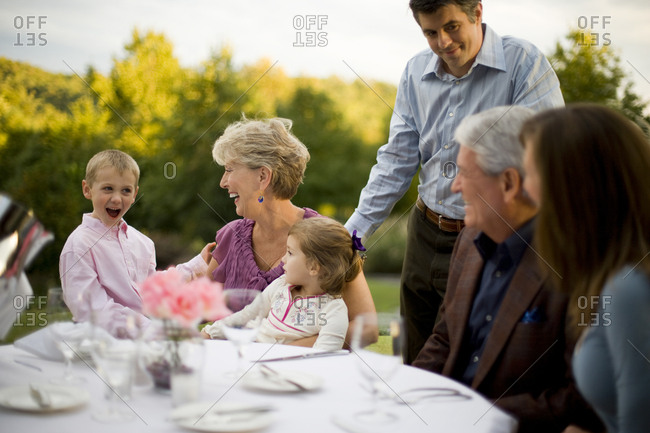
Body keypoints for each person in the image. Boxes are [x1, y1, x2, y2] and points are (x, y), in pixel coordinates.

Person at [344, 0, 565, 364]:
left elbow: (545, 157)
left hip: (490, 236)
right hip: (424, 231)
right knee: (414, 354)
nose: (443, 42)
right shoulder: (415, 71)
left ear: (477, 13)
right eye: (430, 32)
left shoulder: (523, 63)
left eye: (452, 27)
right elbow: (397, 160)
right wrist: (354, 234)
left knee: (468, 360)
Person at [412, 106, 602, 433]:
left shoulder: (580, 266)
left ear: (509, 182)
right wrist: (404, 393)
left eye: (465, 173)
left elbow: (579, 397)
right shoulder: (469, 239)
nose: (455, 187)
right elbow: (444, 339)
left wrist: (474, 415)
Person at [520, 104, 650, 433]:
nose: (524, 188)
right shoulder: (607, 275)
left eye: (532, 174)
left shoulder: (629, 288)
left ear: (573, 188)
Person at [207, 117, 378, 347]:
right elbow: (195, 306)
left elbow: (366, 328)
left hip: (300, 375)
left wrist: (275, 349)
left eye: (229, 169)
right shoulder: (230, 236)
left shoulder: (324, 237)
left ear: (263, 176)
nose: (223, 182)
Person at [59, 149, 211, 338]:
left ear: (135, 194)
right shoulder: (79, 245)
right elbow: (92, 311)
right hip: (101, 349)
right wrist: (153, 330)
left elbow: (152, 290)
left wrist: (196, 266)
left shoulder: (143, 243)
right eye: (108, 188)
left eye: (126, 190)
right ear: (87, 189)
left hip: (143, 346)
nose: (116, 198)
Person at [202, 218, 365, 350]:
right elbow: (247, 315)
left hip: (281, 372)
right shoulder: (280, 285)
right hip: (247, 351)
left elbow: (321, 358)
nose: (283, 259)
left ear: (313, 267)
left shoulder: (333, 310)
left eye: (290, 252)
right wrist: (210, 332)